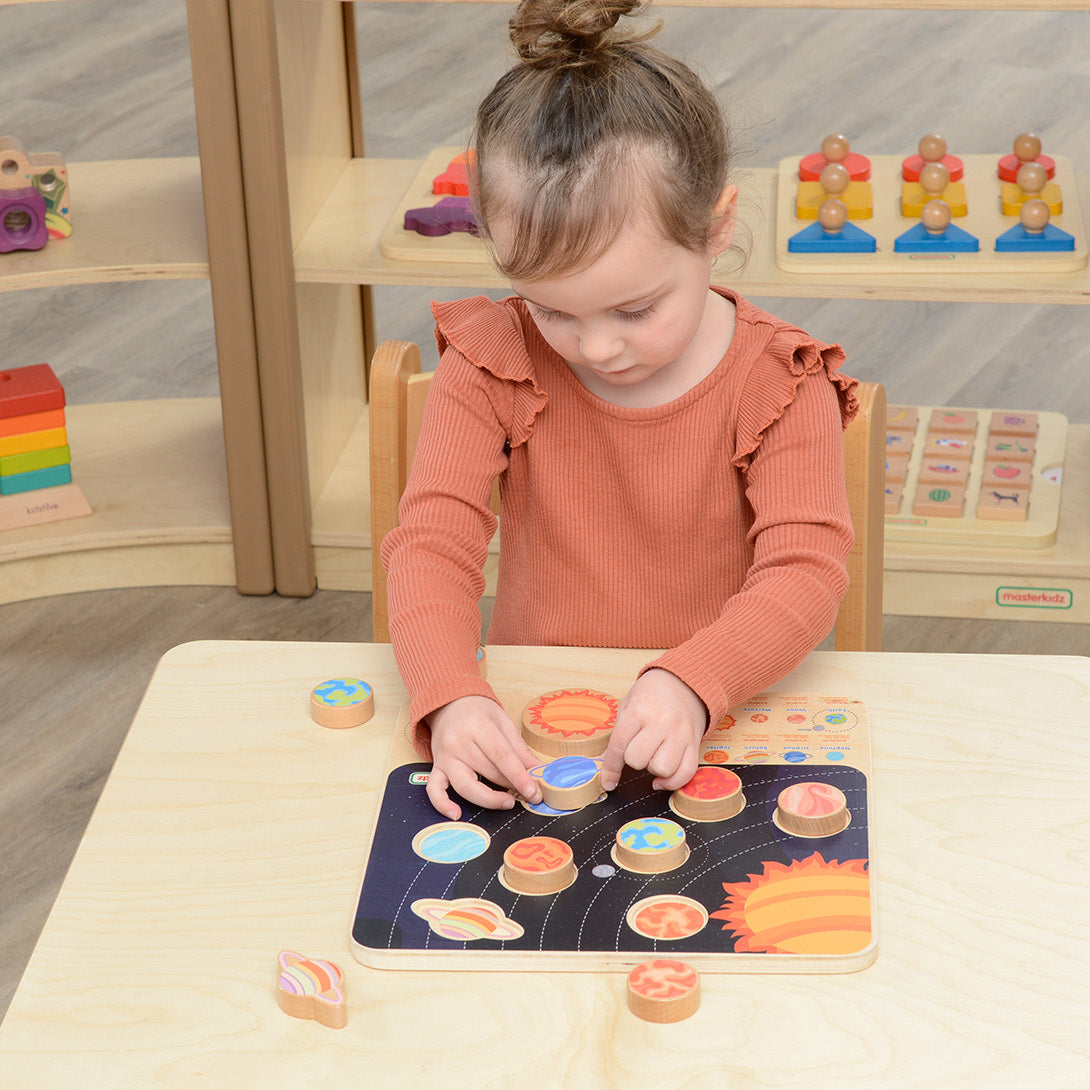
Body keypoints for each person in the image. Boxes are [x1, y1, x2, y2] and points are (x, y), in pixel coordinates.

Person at [381, 0, 858, 820]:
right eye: (553, 310)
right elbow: (431, 545)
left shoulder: (781, 379)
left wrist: (692, 681)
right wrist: (452, 695)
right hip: (540, 725)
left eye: (634, 311)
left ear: (716, 229)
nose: (595, 348)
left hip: (722, 715)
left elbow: (806, 572)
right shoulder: (490, 360)